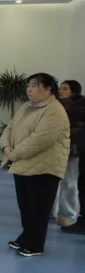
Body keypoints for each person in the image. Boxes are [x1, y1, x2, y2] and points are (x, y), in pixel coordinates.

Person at [0, 73, 70, 257]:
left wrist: (14, 154)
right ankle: (25, 238)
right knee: (26, 206)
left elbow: (40, 139)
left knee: (38, 209)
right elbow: (10, 127)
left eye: (34, 86)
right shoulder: (26, 106)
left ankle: (35, 245)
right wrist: (6, 146)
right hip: (23, 163)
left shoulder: (55, 110)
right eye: (28, 85)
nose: (29, 89)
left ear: (47, 90)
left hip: (44, 167)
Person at [52, 80, 85, 227]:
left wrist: (66, 133)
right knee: (51, 182)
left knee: (69, 184)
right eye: (60, 88)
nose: (61, 90)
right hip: (54, 150)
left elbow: (79, 131)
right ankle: (49, 211)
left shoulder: (80, 108)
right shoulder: (53, 105)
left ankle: (67, 215)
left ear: (73, 91)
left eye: (65, 88)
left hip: (73, 151)